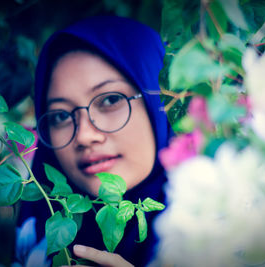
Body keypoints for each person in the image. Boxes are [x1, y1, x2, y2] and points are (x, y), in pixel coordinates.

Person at [17, 15, 173, 267]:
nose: (84, 136)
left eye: (110, 100)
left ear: (160, 101)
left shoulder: (235, 229)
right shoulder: (41, 237)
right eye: (60, 115)